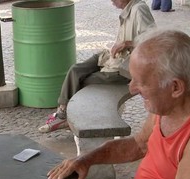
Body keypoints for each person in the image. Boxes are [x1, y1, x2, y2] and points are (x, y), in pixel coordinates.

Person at [47, 29, 190, 179]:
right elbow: (139, 144)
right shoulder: (170, 97)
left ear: (176, 87)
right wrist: (86, 159)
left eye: (141, 83)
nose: (131, 88)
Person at [38, 0, 156, 133]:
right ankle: (62, 111)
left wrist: (127, 43)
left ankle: (68, 118)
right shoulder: (128, 9)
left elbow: (153, 40)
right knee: (75, 70)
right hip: (109, 58)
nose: (111, 2)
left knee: (84, 81)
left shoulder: (139, 9)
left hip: (123, 68)